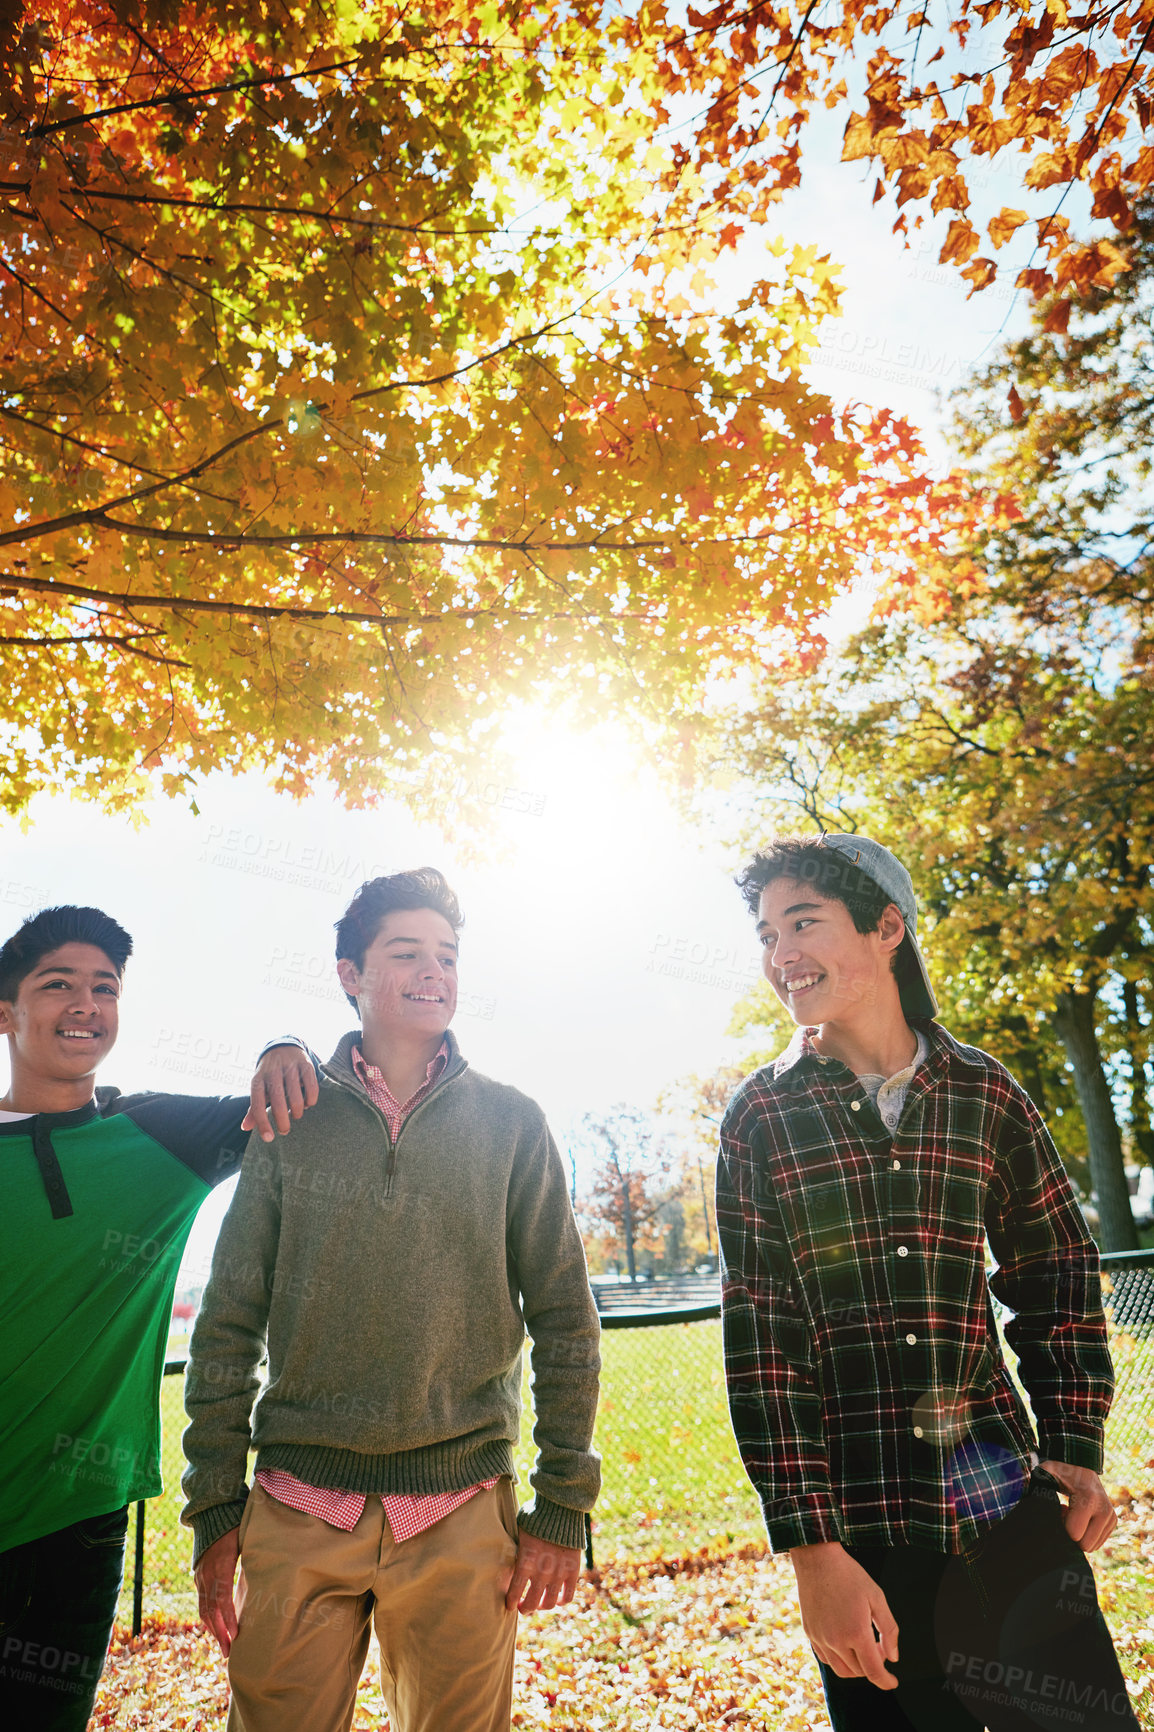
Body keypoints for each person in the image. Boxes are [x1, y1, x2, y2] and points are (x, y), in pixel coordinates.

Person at [716, 834, 1137, 1732]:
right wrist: (812, 1553)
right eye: (765, 934)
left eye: (803, 923)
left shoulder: (987, 1094)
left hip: (1010, 1525)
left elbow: (1056, 1271)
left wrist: (1073, 1438)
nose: (780, 954)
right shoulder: (762, 1116)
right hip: (865, 1545)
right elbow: (763, 1340)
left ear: (887, 928)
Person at [182, 867, 600, 1732]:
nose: (432, 971)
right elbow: (228, 1320)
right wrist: (217, 1505)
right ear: (350, 974)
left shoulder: (513, 1123)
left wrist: (563, 1503)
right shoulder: (289, 1114)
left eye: (446, 955)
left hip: (460, 1509)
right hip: (299, 1505)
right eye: (405, 952)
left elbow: (564, 1316)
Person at [0, 903, 317, 1731]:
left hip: (81, 1521)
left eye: (104, 987)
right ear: (6, 1012)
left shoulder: (156, 1133)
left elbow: (294, 1102)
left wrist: (283, 1046)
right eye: (57, 984)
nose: (85, 1003)